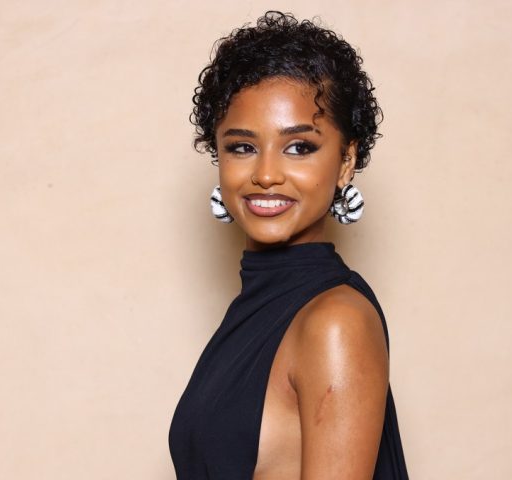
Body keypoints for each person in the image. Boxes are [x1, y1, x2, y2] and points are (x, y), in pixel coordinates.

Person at [169, 11, 409, 479]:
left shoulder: (335, 324)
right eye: (242, 147)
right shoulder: (255, 310)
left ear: (346, 161)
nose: (265, 174)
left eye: (299, 147)